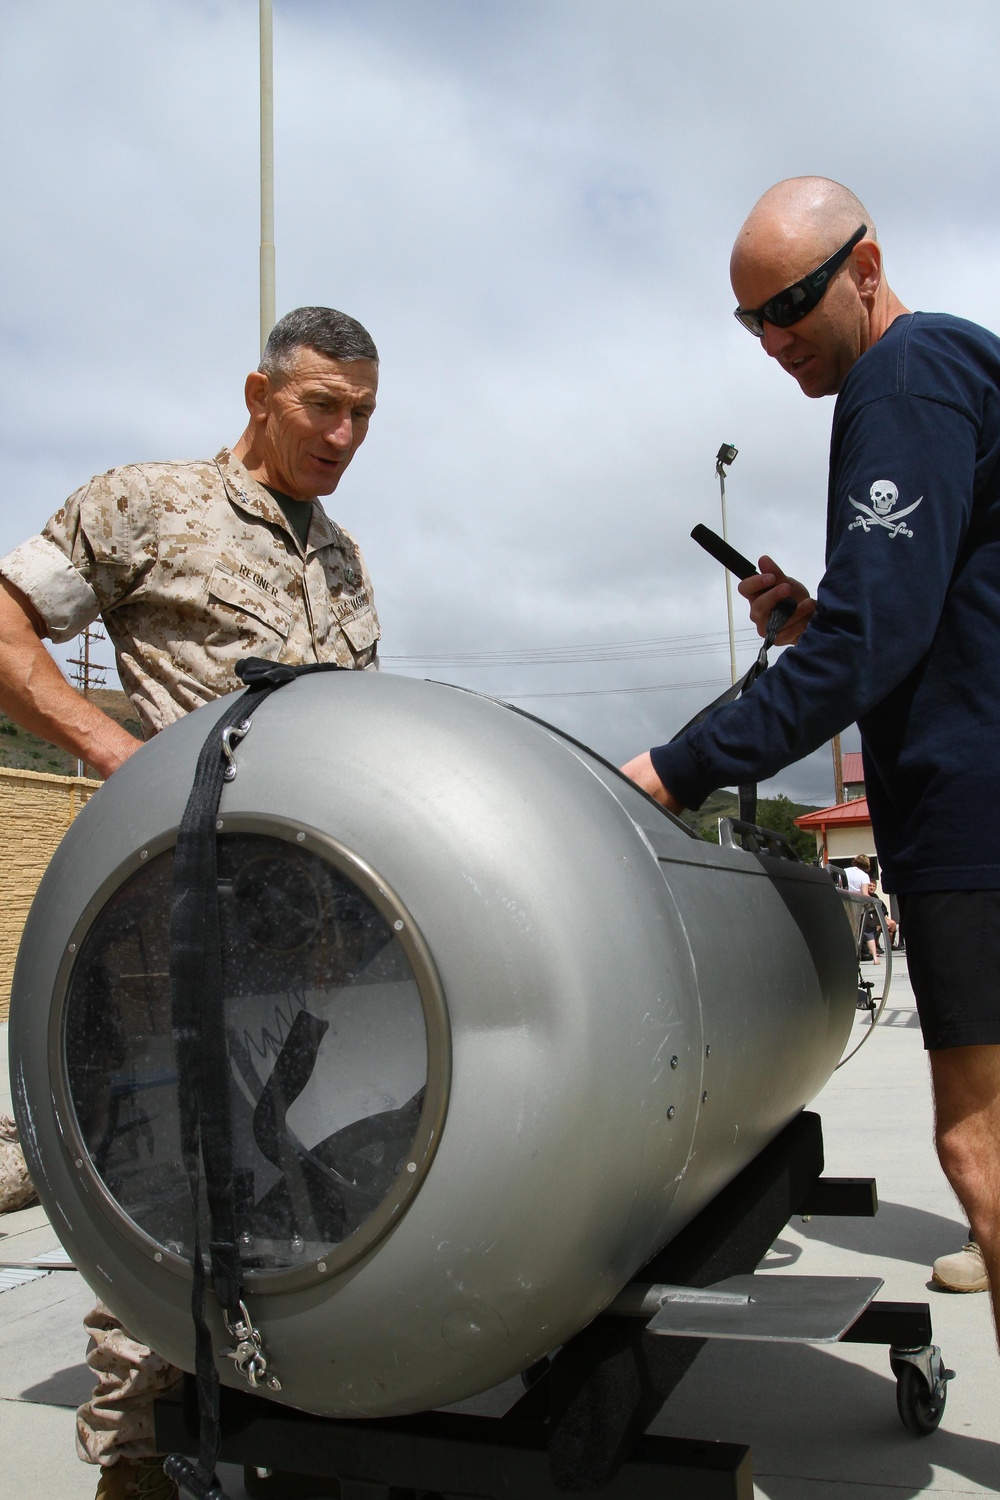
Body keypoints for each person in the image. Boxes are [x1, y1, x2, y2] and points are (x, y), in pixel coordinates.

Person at [0, 305, 382, 1499]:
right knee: (166, 1185)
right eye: (323, 405)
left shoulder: (343, 558)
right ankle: (133, 1460)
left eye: (365, 414)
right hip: (171, 919)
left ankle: (267, 1413)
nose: (345, 433)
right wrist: (121, 758)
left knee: (284, 1178)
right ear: (260, 393)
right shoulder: (147, 504)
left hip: (305, 931)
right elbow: (7, 624)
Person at [621, 177, 1000, 1350]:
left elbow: (876, 640)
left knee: (976, 1142)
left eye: (790, 302)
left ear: (866, 267)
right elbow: (916, 614)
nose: (775, 335)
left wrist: (674, 770)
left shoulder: (905, 375)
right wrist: (807, 621)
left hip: (970, 804)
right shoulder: (950, 371)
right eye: (752, 320)